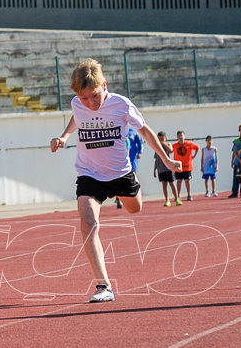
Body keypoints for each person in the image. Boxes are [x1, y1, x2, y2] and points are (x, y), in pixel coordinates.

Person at [51, 59, 181, 303]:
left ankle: (131, 189)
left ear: (105, 86)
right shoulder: (77, 104)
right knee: (87, 222)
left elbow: (145, 131)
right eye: (84, 98)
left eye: (95, 96)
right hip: (90, 174)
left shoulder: (121, 104)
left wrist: (166, 159)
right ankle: (104, 285)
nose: (90, 103)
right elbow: (75, 118)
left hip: (121, 173)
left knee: (135, 209)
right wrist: (63, 137)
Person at [115, 127, 143, 209]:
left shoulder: (133, 132)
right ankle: (118, 198)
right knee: (117, 178)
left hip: (132, 158)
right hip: (120, 159)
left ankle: (132, 196)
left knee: (132, 176)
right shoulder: (117, 129)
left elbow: (139, 142)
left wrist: (140, 152)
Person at [153, 131, 179, 206]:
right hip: (161, 169)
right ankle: (167, 200)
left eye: (162, 138)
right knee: (164, 184)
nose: (160, 140)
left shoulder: (168, 144)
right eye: (159, 139)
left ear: (165, 139)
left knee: (172, 183)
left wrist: (163, 143)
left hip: (169, 168)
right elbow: (156, 159)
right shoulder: (157, 147)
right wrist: (154, 170)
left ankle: (176, 198)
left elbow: (171, 150)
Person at [172, 130, 200, 201]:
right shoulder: (175, 145)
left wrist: (194, 156)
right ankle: (177, 195)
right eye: (178, 136)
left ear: (184, 136)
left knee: (187, 181)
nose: (180, 137)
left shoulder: (189, 144)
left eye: (181, 135)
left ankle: (189, 194)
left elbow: (197, 147)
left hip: (187, 166)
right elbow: (169, 150)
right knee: (179, 181)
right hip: (178, 166)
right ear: (177, 137)